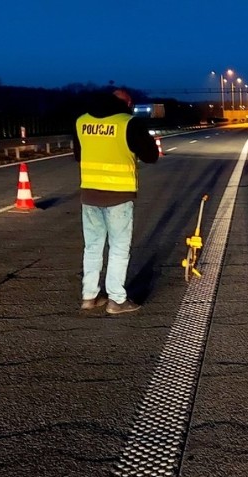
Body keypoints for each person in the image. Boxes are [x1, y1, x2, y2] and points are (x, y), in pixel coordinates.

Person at [73, 88, 159, 315]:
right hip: (119, 195)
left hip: (89, 194)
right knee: (119, 248)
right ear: (128, 103)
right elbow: (151, 156)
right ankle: (117, 300)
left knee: (92, 247)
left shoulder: (82, 121)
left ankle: (89, 296)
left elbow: (78, 155)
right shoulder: (129, 123)